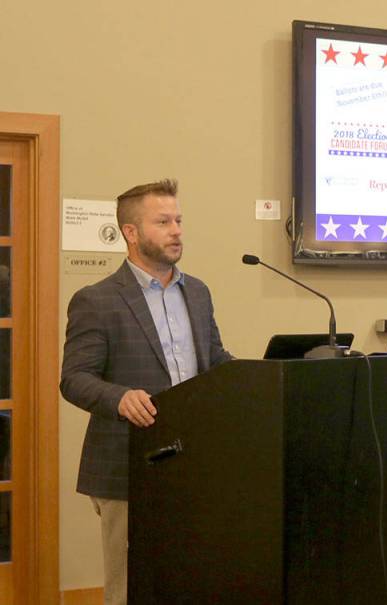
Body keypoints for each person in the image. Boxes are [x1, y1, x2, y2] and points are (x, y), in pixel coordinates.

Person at [60, 179, 233, 605]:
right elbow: (74, 378)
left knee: (187, 578)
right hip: (126, 464)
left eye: (178, 220)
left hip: (192, 462)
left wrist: (257, 375)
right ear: (131, 233)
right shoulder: (97, 300)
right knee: (129, 588)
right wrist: (118, 398)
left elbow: (214, 361)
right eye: (163, 222)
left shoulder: (198, 292)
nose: (177, 230)